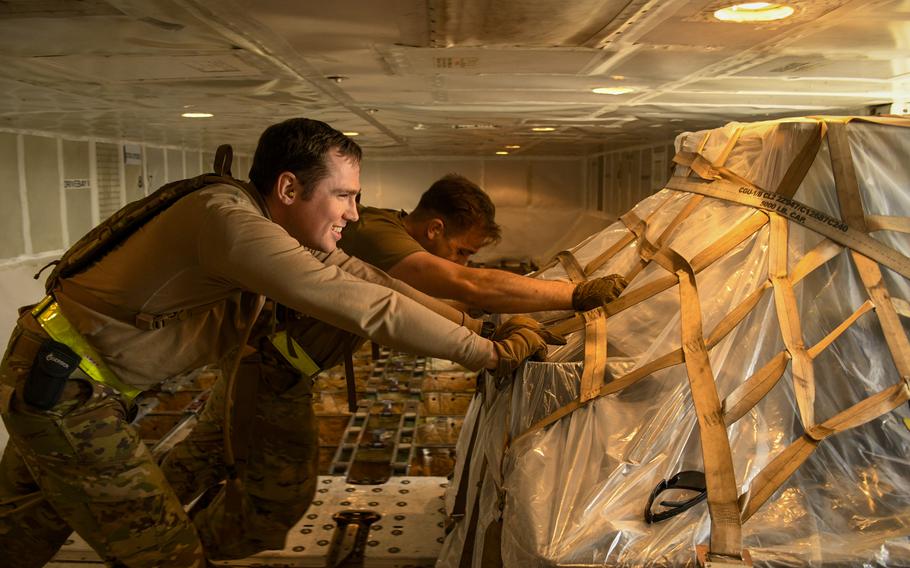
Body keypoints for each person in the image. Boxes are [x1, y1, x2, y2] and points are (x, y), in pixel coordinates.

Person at [0, 118, 548, 567]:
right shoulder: (229, 222)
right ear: (288, 189)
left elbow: (371, 281)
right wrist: (488, 355)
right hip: (67, 392)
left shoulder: (267, 224)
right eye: (344, 196)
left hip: (63, 380)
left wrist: (482, 329)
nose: (353, 214)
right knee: (165, 556)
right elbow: (364, 306)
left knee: (30, 522)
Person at [340, 173, 626, 313]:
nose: (462, 262)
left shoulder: (393, 231)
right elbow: (471, 284)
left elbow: (430, 305)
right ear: (435, 229)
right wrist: (576, 295)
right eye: (461, 251)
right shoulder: (377, 236)